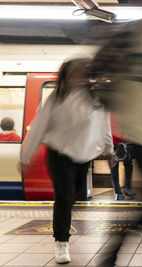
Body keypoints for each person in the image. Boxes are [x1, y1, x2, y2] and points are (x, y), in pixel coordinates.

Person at [19, 58, 114, 263]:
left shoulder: (96, 99)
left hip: (83, 155)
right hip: (58, 153)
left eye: (81, 73)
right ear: (66, 76)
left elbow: (104, 126)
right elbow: (39, 126)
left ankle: (63, 227)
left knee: (73, 197)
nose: (77, 78)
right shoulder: (56, 98)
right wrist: (25, 155)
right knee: (63, 197)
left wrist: (110, 150)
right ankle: (61, 242)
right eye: (73, 74)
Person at [111, 136, 136, 200]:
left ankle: (118, 193)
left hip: (113, 141)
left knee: (114, 167)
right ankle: (127, 189)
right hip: (123, 140)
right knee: (128, 164)